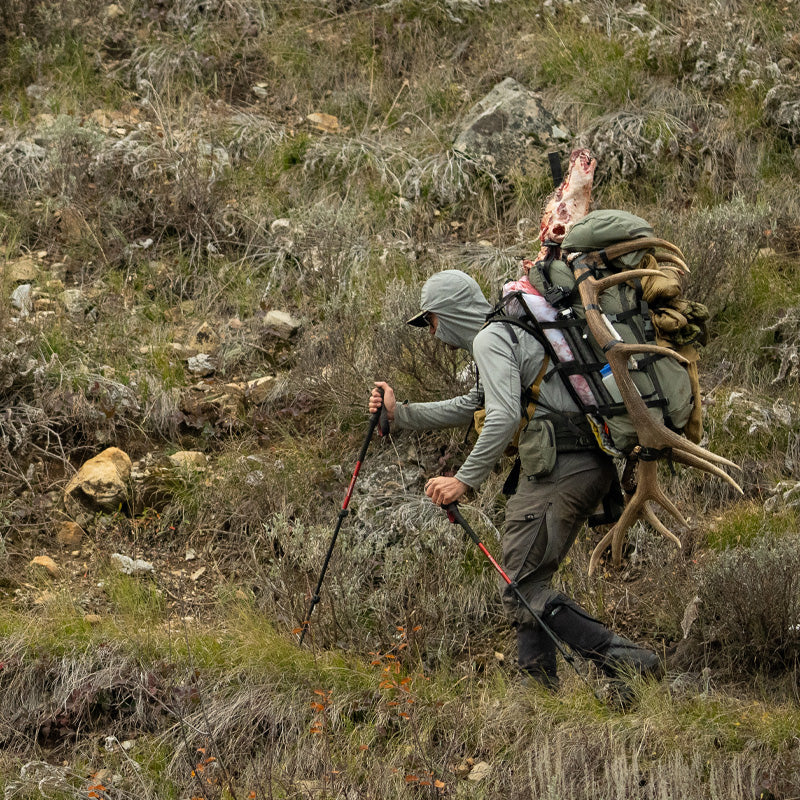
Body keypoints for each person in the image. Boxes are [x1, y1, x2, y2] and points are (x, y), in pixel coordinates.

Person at [369, 269, 661, 691]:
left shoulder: (491, 339)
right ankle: (537, 689)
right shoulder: (506, 334)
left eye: (431, 321)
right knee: (526, 580)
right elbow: (475, 404)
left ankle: (627, 662)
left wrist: (463, 481)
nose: (432, 334)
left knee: (520, 584)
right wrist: (402, 414)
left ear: (448, 313)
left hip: (562, 466)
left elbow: (503, 416)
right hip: (577, 464)